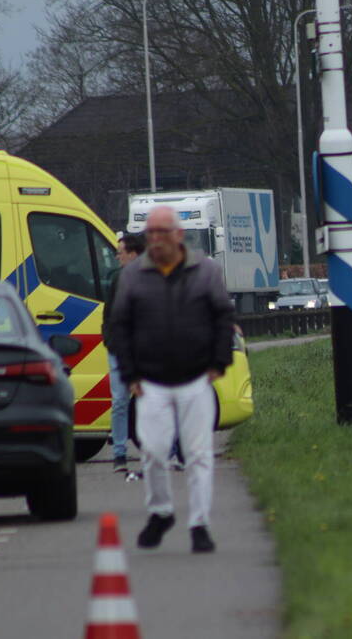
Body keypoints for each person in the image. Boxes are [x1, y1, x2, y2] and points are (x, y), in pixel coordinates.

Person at [110, 206, 234, 553]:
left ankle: (199, 524)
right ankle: (161, 511)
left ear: (179, 235)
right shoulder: (134, 275)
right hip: (151, 381)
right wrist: (130, 373)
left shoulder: (206, 271)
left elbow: (223, 315)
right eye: (150, 234)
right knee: (153, 449)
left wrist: (219, 362)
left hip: (196, 377)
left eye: (162, 233)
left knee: (197, 454)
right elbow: (121, 325)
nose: (156, 241)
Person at [103, 232, 146, 473]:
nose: (117, 256)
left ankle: (160, 450)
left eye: (121, 252)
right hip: (119, 349)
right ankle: (120, 453)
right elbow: (108, 314)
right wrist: (110, 342)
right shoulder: (117, 279)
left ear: (134, 254)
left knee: (151, 400)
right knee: (119, 401)